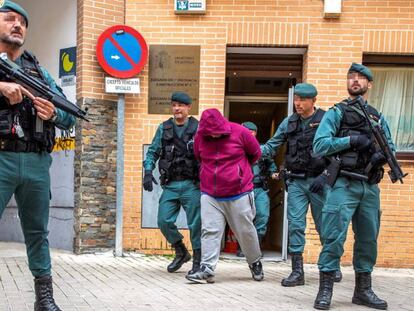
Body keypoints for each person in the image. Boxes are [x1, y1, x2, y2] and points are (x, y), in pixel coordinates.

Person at [0, 1, 76, 310]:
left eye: (22, 22)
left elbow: (70, 117)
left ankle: (44, 299)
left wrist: (54, 112)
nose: (17, 24)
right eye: (9, 19)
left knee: (37, 233)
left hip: (35, 162)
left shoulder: (40, 72)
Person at [312, 63, 392, 310]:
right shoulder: (337, 112)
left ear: (369, 84)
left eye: (361, 78)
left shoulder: (378, 117)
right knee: (334, 237)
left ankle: (363, 291)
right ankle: (325, 290)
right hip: (343, 184)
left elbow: (389, 146)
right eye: (352, 77)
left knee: (368, 239)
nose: (355, 81)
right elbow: (320, 145)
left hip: (369, 187)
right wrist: (351, 140)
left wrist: (381, 156)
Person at [261, 83, 342, 287]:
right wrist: (251, 151)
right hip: (296, 181)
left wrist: (325, 176)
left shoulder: (325, 120)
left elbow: (337, 152)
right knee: (295, 224)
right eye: (296, 99)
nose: (297, 103)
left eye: (302, 99)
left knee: (324, 225)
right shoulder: (289, 122)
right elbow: (272, 145)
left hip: (319, 182)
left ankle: (332, 264)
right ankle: (297, 272)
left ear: (313, 101)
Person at [186, 108, 264, 284]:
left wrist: (239, 173)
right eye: (209, 134)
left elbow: (255, 154)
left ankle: (254, 261)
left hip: (239, 192)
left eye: (217, 133)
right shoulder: (200, 136)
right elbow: (199, 157)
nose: (213, 136)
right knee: (209, 230)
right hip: (210, 193)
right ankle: (207, 269)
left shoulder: (240, 132)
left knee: (245, 231)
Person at [143, 91, 201, 276]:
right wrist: (147, 171)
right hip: (171, 184)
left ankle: (198, 261)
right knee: (163, 221)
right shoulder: (164, 128)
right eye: (174, 105)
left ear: (188, 108)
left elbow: (207, 155)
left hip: (192, 185)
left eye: (181, 105)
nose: (177, 108)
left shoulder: (198, 128)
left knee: (196, 224)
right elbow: (153, 152)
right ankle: (181, 250)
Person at [236, 121, 278, 257]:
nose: (248, 134)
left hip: (259, 188)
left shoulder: (262, 150)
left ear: (254, 133)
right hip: (242, 189)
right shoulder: (236, 149)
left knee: (262, 216)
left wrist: (274, 173)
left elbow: (271, 164)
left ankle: (255, 249)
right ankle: (243, 248)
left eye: (250, 131)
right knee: (243, 219)